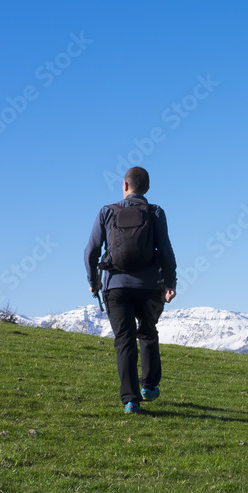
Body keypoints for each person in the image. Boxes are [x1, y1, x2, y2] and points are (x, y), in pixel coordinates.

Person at [85, 167, 177, 414]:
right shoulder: (155, 212)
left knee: (124, 340)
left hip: (115, 287)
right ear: (147, 187)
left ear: (125, 186)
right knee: (147, 334)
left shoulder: (107, 212)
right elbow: (166, 250)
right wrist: (170, 283)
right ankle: (148, 386)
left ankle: (130, 400)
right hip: (149, 287)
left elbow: (91, 251)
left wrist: (94, 280)